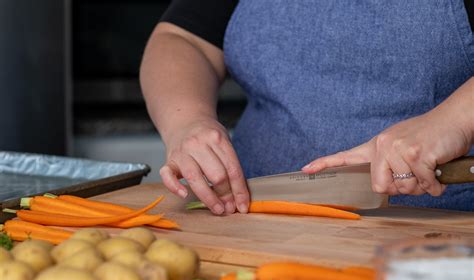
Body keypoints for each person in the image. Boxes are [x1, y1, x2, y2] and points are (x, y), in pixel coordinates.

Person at [140, 0, 474, 213]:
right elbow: (183, 38)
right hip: (248, 221)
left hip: (436, 238)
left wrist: (454, 120)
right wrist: (188, 122)